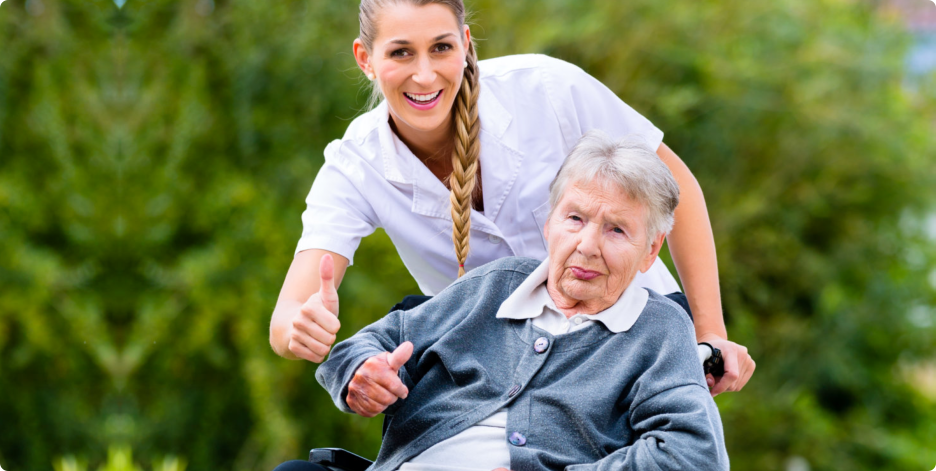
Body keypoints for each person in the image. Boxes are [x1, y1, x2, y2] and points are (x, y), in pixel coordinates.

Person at [268, 0, 755, 395]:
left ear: (465, 45)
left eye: (440, 48)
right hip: (506, 363)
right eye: (400, 53)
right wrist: (301, 329)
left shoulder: (545, 88)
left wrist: (709, 331)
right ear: (365, 59)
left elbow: (676, 189)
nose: (423, 74)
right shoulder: (355, 165)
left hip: (634, 326)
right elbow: (287, 316)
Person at [274, 132, 730, 471]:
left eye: (617, 229)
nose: (588, 245)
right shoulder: (494, 287)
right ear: (549, 223)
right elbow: (370, 343)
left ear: (652, 248)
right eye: (575, 218)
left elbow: (692, 454)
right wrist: (360, 372)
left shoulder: (659, 330)